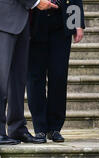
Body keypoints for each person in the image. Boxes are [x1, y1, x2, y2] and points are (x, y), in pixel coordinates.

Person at [0, 0, 58, 145]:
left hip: (22, 21)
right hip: (4, 18)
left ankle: (17, 128)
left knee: (18, 80)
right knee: (1, 79)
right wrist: (36, 2)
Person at [26, 0, 85, 143]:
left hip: (61, 22)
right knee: (35, 78)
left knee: (59, 76)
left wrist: (77, 23)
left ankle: (55, 128)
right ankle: (40, 128)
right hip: (35, 22)